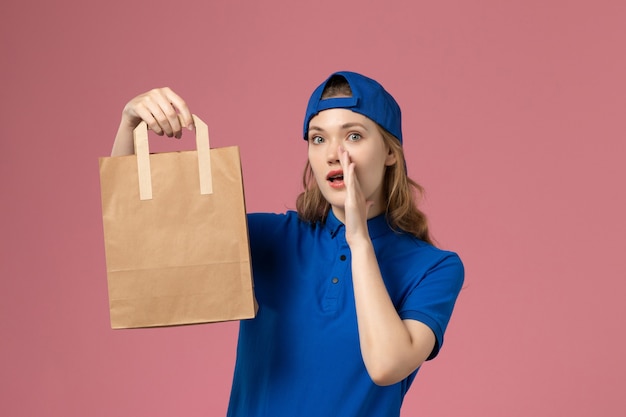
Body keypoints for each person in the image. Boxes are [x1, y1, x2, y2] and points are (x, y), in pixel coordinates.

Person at [111, 71, 464, 417]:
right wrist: (129, 127)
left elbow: (387, 365)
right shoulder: (272, 239)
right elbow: (140, 241)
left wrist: (359, 240)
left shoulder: (434, 268)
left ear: (390, 151)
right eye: (318, 138)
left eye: (354, 136)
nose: (333, 153)